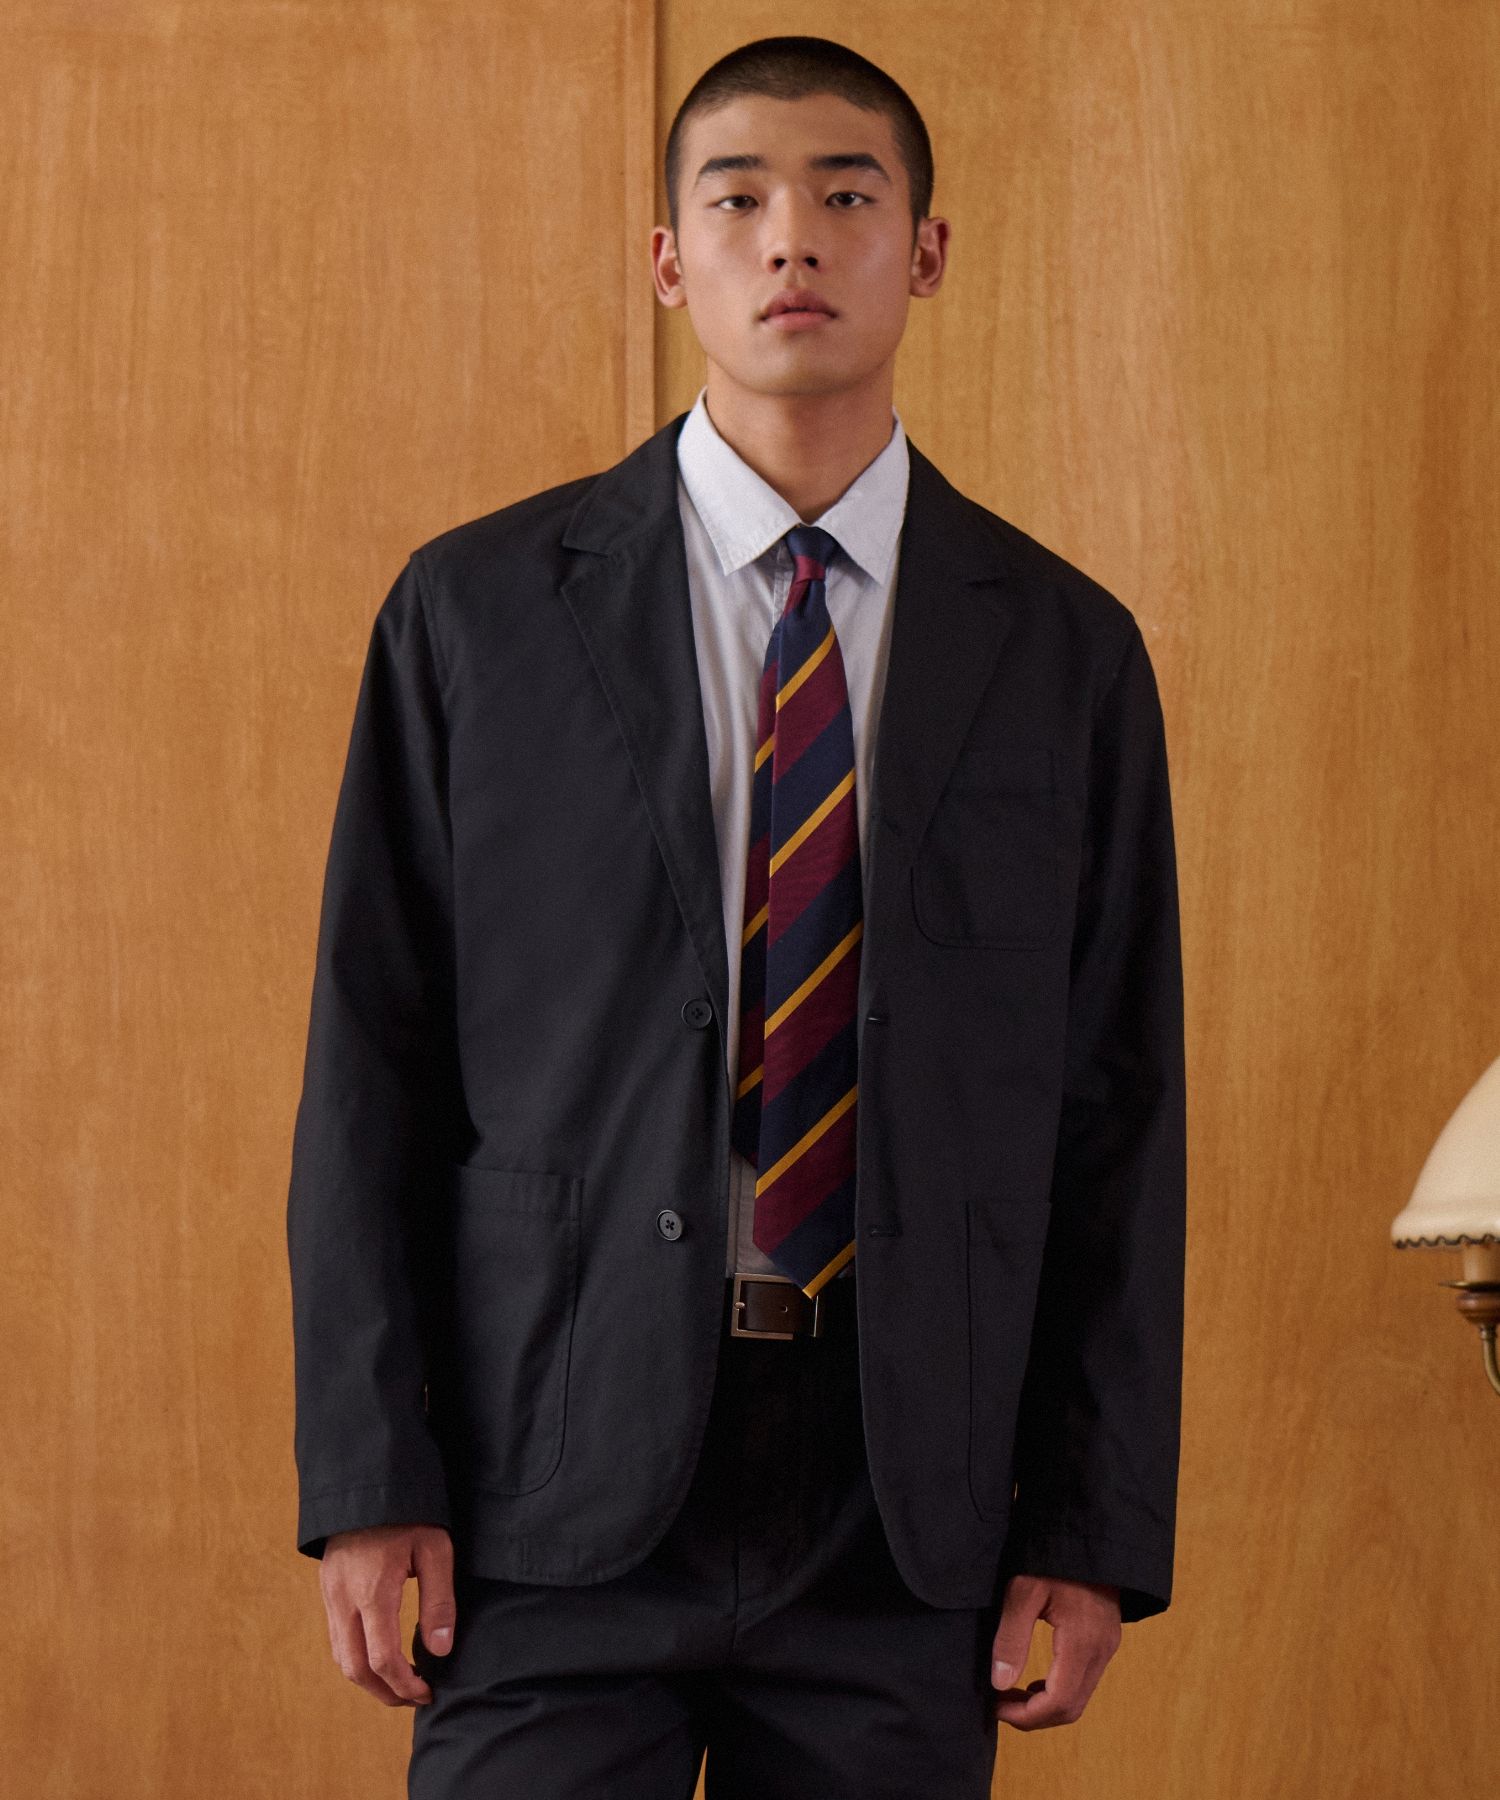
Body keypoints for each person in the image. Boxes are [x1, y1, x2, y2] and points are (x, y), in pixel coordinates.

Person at [286, 33, 1186, 1800]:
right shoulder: (475, 616)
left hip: (902, 1500)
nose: (793, 240)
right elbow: (370, 1062)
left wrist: (1093, 1523)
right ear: (668, 258)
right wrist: (369, 1476)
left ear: (926, 251)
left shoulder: (1065, 651)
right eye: (739, 199)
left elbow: (1118, 1105)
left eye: (848, 196)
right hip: (548, 1480)